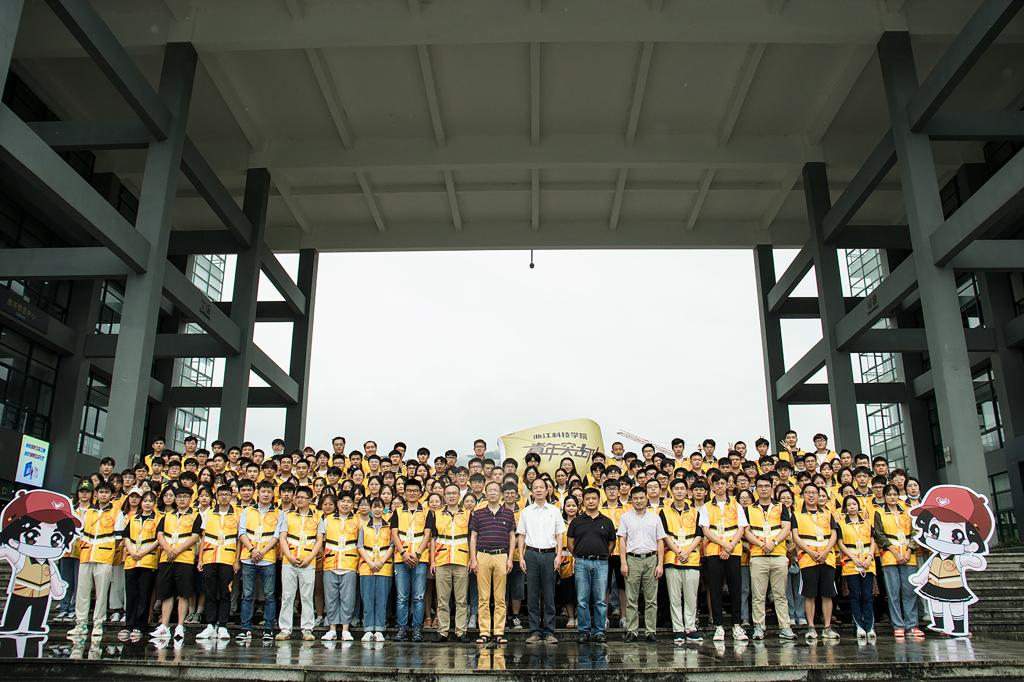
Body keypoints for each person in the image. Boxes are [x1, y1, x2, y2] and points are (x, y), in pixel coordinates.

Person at [68, 482, 124, 639]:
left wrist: (110, 553)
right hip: (86, 555)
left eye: (106, 492)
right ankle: (80, 623)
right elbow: (80, 533)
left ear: (111, 495)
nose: (103, 495)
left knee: (101, 592)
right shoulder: (88, 512)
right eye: (101, 492)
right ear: (96, 494)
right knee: (82, 591)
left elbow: (118, 538)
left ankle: (98, 623)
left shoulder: (117, 512)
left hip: (104, 556)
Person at [744, 474, 796, 641]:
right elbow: (746, 531)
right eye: (760, 486)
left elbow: (786, 528)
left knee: (780, 594)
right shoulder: (749, 509)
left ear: (772, 488)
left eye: (767, 486)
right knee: (758, 595)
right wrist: (761, 544)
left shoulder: (781, 507)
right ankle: (759, 627)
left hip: (778, 554)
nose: (763, 489)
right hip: (758, 555)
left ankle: (785, 627)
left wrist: (774, 542)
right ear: (756, 489)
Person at [517, 477, 566, 645]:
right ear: (531, 491)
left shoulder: (555, 510)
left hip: (549, 555)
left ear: (547, 490)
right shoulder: (526, 512)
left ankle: (549, 631)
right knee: (532, 594)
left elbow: (559, 534)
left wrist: (558, 555)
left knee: (549, 594)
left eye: (541, 487)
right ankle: (534, 631)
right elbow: (521, 535)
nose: (538, 490)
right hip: (531, 554)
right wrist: (521, 556)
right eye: (535, 487)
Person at [699, 474, 748, 641]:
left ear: (728, 485)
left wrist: (730, 546)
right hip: (714, 551)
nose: (720, 486)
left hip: (733, 551)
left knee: (735, 588)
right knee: (715, 589)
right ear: (712, 487)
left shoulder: (736, 505)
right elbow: (706, 531)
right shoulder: (706, 507)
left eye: (722, 483)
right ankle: (718, 626)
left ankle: (737, 625)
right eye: (717, 483)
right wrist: (723, 544)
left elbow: (741, 528)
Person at [150, 485, 202, 640]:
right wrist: (168, 549)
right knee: (166, 593)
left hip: (184, 558)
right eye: (179, 497)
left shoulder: (195, 516)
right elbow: (160, 535)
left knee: (183, 593)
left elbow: (195, 536)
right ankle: (164, 626)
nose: (182, 500)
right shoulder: (167, 516)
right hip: (167, 558)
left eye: (185, 497)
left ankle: (180, 625)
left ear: (190, 499)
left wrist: (177, 550)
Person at [568, 487, 617, 643]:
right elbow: (570, 543)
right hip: (581, 562)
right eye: (587, 499)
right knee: (582, 599)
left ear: (599, 501)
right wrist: (579, 555)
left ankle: (600, 631)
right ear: (583, 501)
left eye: (593, 498)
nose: (590, 501)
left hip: (601, 563)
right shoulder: (576, 521)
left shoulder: (607, 521)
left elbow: (612, 543)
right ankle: (584, 631)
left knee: (600, 599)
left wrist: (604, 555)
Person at [469, 481, 516, 644]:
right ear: (486, 493)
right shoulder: (478, 513)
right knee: (483, 597)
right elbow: (473, 537)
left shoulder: (508, 513)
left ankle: (499, 632)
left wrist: (510, 558)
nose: (493, 492)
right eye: (490, 490)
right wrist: (473, 558)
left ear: (501, 494)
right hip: (482, 556)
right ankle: (484, 632)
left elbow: (512, 537)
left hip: (501, 556)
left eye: (496, 490)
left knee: (500, 597)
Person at [791, 483, 839, 641]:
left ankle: (827, 627)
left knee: (827, 594)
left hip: (827, 558)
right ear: (802, 495)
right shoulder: (797, 515)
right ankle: (811, 627)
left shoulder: (828, 514)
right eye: (808, 492)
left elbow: (834, 534)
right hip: (807, 559)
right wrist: (810, 551)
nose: (811, 495)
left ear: (818, 496)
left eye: (814, 493)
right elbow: (795, 536)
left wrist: (825, 552)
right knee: (809, 594)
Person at [617, 485, 665, 643]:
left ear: (646, 498)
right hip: (632, 559)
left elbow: (660, 541)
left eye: (641, 498)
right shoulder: (625, 517)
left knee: (651, 599)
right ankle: (632, 631)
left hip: (651, 559)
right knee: (631, 598)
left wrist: (660, 564)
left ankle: (650, 631)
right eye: (635, 498)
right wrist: (623, 562)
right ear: (631, 500)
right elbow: (622, 541)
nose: (639, 501)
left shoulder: (655, 518)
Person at [874, 484, 923, 639]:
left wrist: (909, 550)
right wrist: (895, 552)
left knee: (909, 591)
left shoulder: (907, 512)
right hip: (890, 556)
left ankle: (912, 625)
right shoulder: (879, 513)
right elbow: (879, 535)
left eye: (895, 494)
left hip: (908, 555)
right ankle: (898, 625)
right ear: (884, 496)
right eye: (889, 494)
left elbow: (915, 532)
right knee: (893, 592)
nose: (892, 497)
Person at [276, 485, 323, 641]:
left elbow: (319, 540)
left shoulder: (317, 517)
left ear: (310, 500)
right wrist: (289, 556)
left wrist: (309, 558)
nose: (299, 500)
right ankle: (285, 629)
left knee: (307, 596)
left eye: (303, 497)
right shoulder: (288, 516)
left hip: (308, 562)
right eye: (297, 497)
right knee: (287, 596)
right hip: (289, 561)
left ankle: (307, 629)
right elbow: (282, 537)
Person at [391, 478, 435, 642]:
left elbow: (427, 535)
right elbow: (394, 534)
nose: (412, 493)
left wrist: (417, 553)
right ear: (404, 492)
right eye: (409, 490)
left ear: (421, 493)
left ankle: (417, 628)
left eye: (415, 491)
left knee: (418, 597)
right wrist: (403, 553)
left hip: (419, 559)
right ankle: (401, 628)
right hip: (401, 558)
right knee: (402, 597)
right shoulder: (397, 511)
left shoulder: (426, 512)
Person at [661, 478, 704, 643]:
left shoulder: (695, 512)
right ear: (671, 491)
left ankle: (690, 628)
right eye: (676, 488)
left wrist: (686, 551)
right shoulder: (664, 512)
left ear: (687, 491)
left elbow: (699, 535)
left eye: (682, 488)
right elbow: (664, 535)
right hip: (672, 558)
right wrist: (678, 551)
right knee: (674, 597)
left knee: (691, 596)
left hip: (691, 558)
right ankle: (678, 629)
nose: (679, 491)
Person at [237, 480, 280, 641]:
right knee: (247, 594)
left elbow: (276, 536)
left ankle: (268, 629)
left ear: (273, 494)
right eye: (263, 491)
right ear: (258, 493)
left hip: (267, 559)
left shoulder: (279, 513)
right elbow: (242, 533)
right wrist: (253, 550)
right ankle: (245, 628)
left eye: (269, 492)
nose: (266, 495)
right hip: (249, 558)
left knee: (269, 595)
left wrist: (262, 551)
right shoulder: (247, 511)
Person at [197, 485, 240, 640]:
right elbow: (203, 537)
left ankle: (222, 625)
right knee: (209, 592)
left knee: (225, 593)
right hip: (210, 558)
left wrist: (236, 560)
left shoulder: (237, 513)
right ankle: (210, 625)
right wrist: (200, 559)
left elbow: (238, 539)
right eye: (221, 494)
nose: (224, 497)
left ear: (231, 496)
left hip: (227, 559)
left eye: (227, 494)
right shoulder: (209, 513)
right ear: (216, 496)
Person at [431, 483, 472, 643]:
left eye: (454, 493)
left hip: (461, 559)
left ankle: (461, 631)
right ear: (444, 496)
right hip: (442, 559)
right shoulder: (437, 514)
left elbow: (471, 538)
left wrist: (471, 558)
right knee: (442, 599)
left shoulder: (467, 514)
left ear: (459, 495)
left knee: (461, 600)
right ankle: (443, 631)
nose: (451, 496)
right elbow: (433, 539)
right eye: (448, 493)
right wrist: (432, 561)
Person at [321, 492, 360, 641]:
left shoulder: (358, 520)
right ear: (337, 503)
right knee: (331, 597)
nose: (345, 504)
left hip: (350, 563)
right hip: (330, 563)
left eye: (349, 501)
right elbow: (322, 540)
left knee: (347, 598)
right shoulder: (328, 519)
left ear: (353, 504)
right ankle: (332, 629)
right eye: (342, 501)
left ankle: (345, 629)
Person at [837, 495, 877, 642]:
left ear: (858, 506)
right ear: (845, 508)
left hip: (867, 563)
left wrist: (869, 557)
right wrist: (853, 557)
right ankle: (859, 626)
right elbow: (840, 543)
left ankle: (869, 626)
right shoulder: (841, 523)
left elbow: (872, 541)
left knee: (867, 595)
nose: (852, 507)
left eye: (854, 504)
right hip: (851, 564)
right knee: (855, 595)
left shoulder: (867, 522)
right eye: (849, 505)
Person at [123, 490, 160, 639]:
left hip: (148, 561)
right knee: (131, 594)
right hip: (131, 560)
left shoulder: (158, 519)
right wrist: (132, 551)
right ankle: (129, 624)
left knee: (144, 594)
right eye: (145, 501)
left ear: (154, 503)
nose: (147, 504)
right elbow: (126, 537)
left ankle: (140, 625)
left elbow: (158, 539)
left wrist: (143, 552)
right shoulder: (134, 518)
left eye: (150, 501)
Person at [358, 497, 394, 641]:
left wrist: (381, 561)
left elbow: (392, 546)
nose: (377, 510)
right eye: (375, 507)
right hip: (367, 566)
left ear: (383, 509)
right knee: (367, 598)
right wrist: (370, 562)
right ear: (371, 509)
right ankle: (368, 629)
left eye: (380, 507)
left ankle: (379, 628)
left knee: (381, 598)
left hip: (384, 567)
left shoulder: (389, 527)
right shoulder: (364, 526)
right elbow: (360, 546)